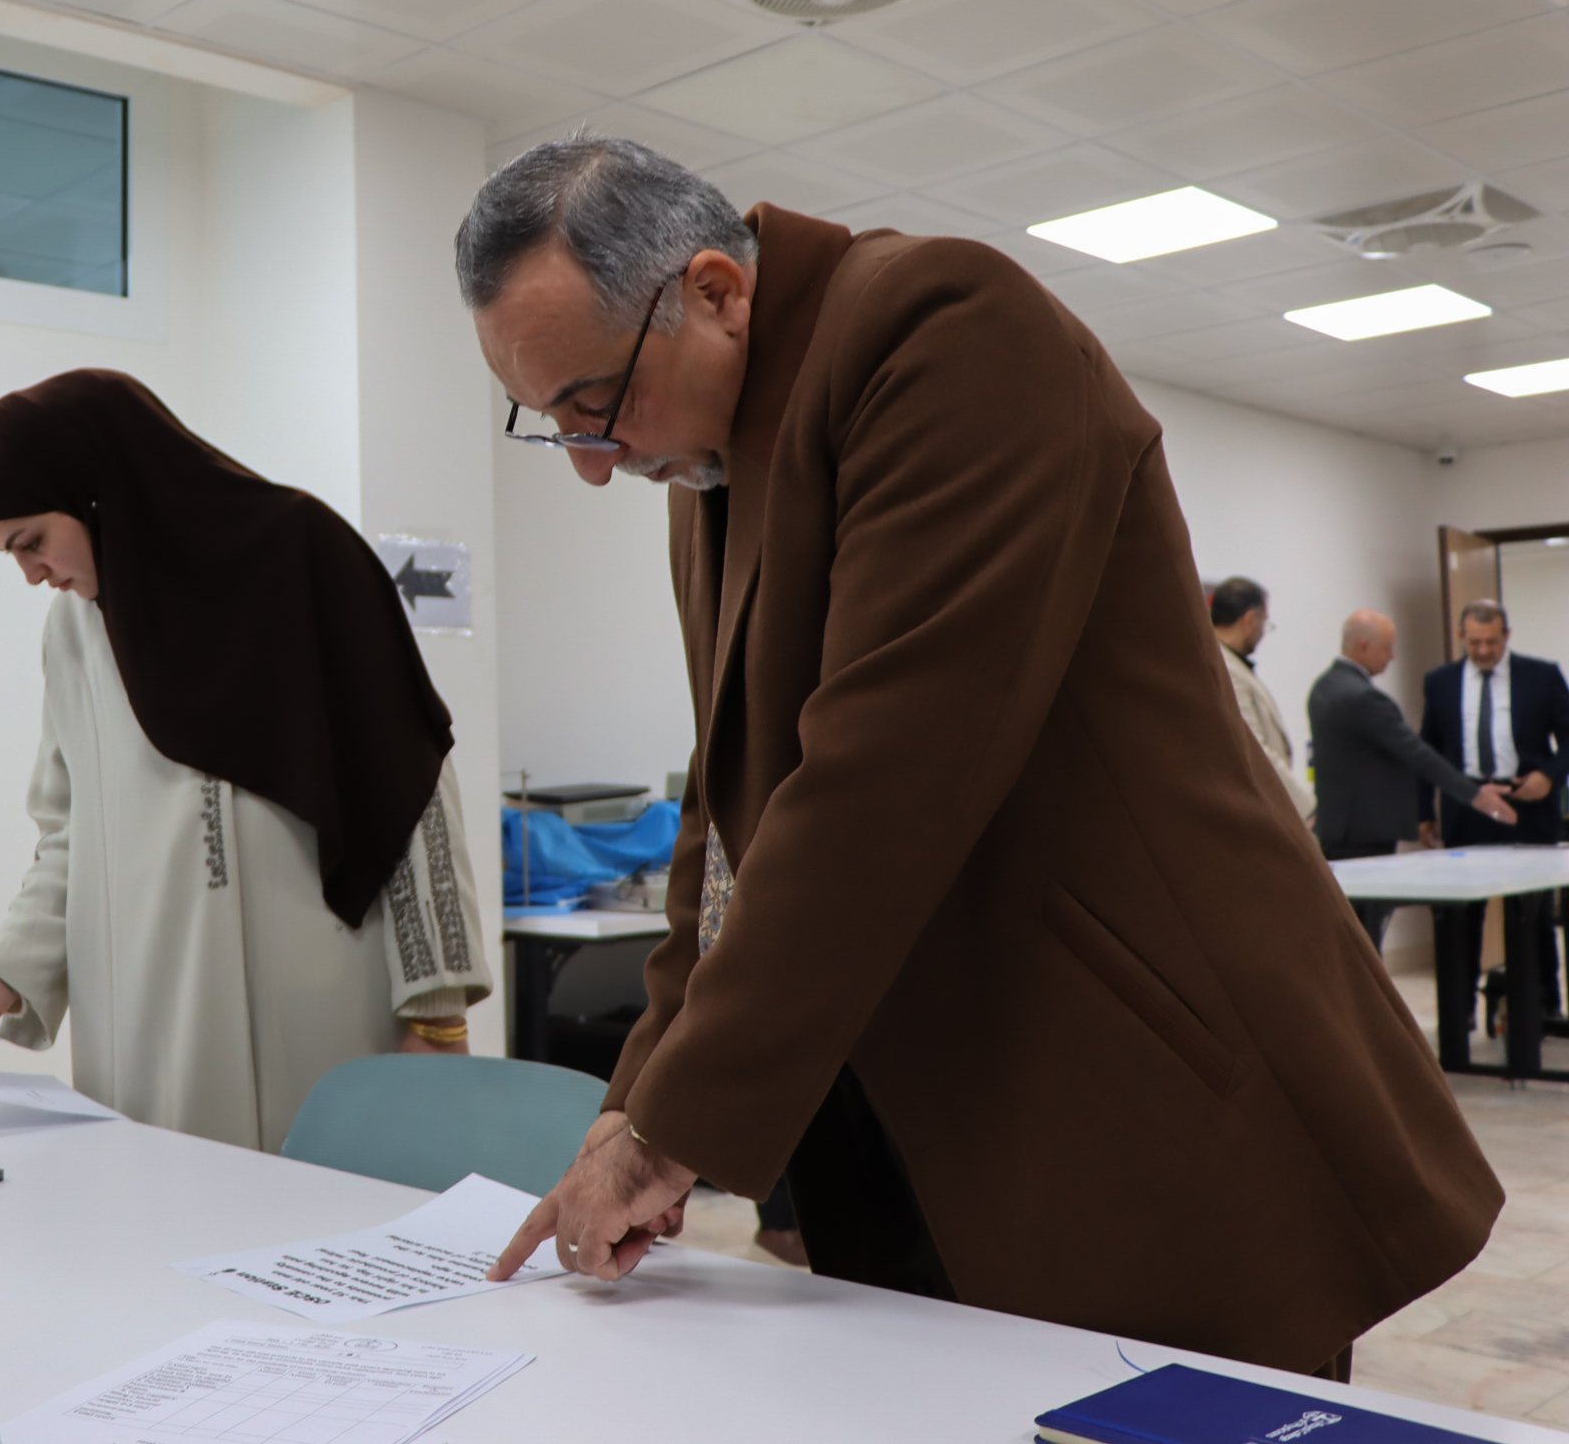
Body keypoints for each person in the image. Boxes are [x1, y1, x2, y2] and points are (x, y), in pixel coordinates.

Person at [461, 136, 1499, 1377]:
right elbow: (734, 817)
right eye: (553, 424)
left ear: (718, 292)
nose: (591, 461)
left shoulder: (943, 328)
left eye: (597, 401)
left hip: (1130, 1078)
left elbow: (880, 783)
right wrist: (637, 1099)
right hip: (926, 1106)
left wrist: (669, 1128)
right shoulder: (712, 462)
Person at [0, 370, 490, 1154]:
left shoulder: (303, 557)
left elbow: (410, 785)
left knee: (325, 1212)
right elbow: (69, 842)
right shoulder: (75, 633)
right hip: (150, 1041)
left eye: (32, 542)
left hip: (316, 1026)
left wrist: (437, 1015)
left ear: (95, 489)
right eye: (11, 554)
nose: (32, 573)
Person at [1308, 610, 1514, 950]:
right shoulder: (1363, 697)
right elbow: (1417, 753)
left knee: (1349, 932)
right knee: (1363, 936)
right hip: (1365, 833)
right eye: (1387, 648)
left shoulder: (1325, 686)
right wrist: (1476, 795)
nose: (1392, 656)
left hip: (1340, 827)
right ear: (1363, 646)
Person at [1419, 600, 1569, 1017]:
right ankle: (1461, 1009)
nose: (1483, 650)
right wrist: (1424, 812)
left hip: (1528, 807)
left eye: (1492, 641)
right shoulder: (1441, 681)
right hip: (1467, 808)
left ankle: (1546, 1005)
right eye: (1475, 642)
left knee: (1534, 914)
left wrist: (1549, 777)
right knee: (1462, 916)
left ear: (1507, 635)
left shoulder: (1542, 676)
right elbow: (1426, 750)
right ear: (1461, 636)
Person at [1209, 577, 1314, 821]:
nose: (1264, 631)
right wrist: (1307, 806)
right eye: (1265, 622)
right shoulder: (1226, 668)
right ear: (1250, 620)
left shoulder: (1224, 662)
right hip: (1250, 810)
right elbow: (1255, 748)